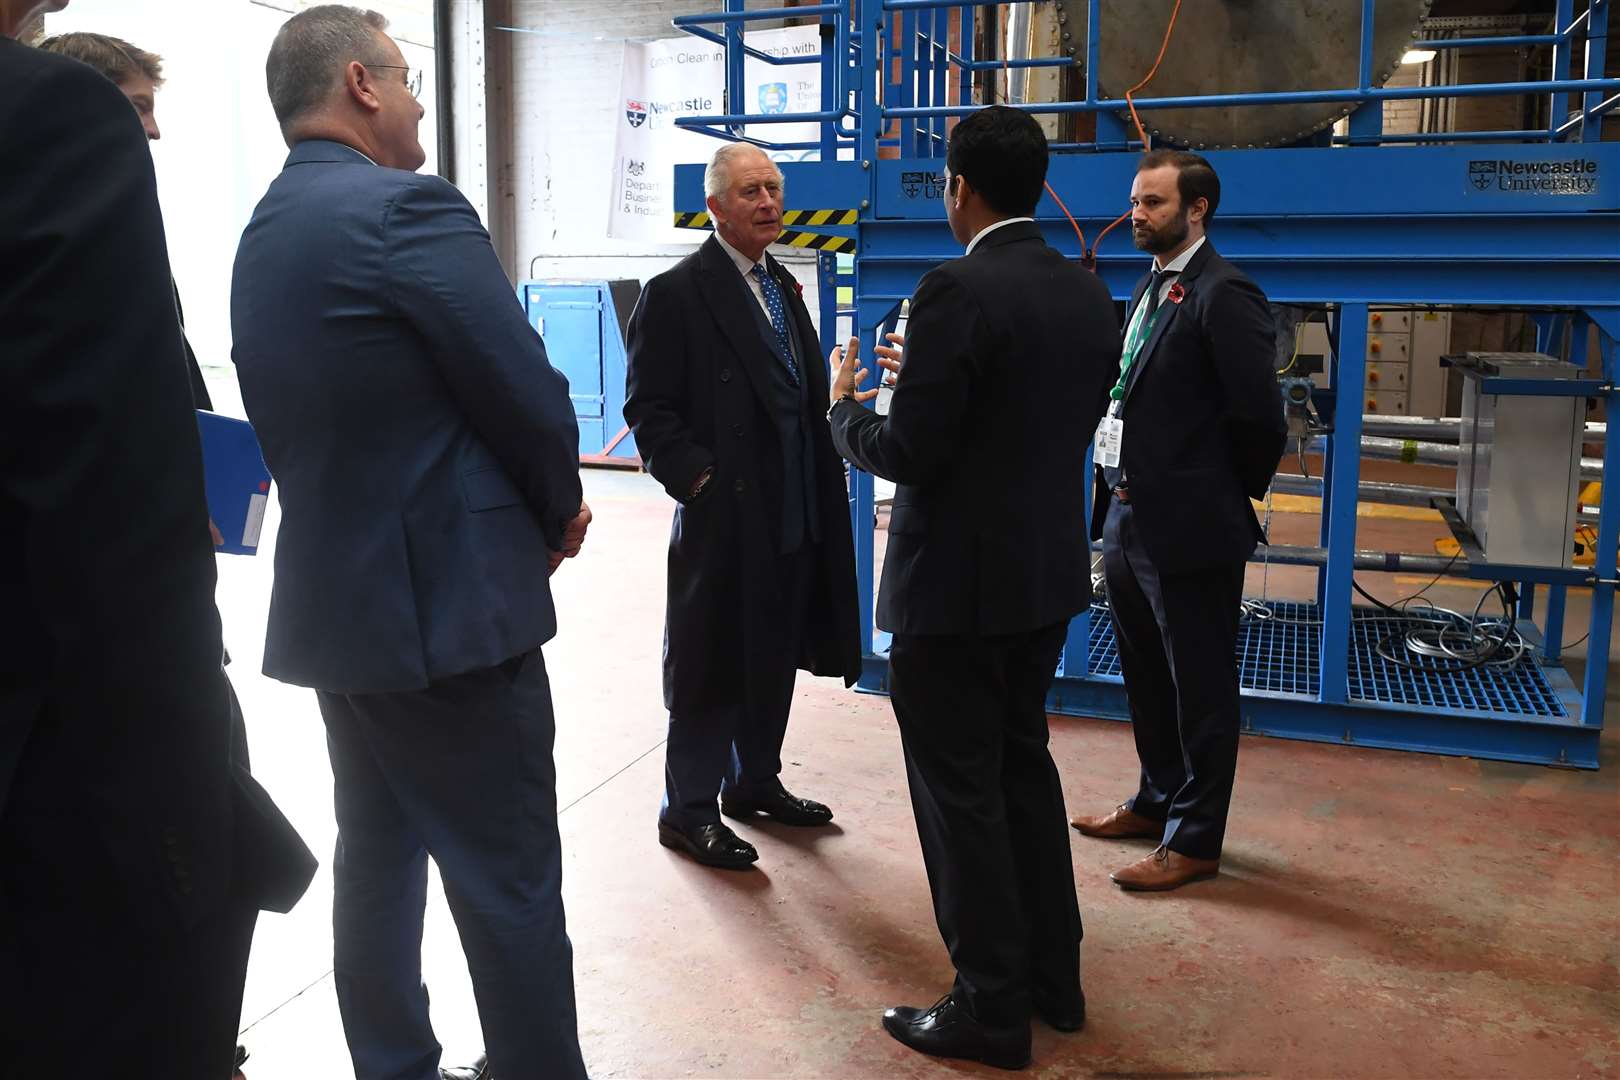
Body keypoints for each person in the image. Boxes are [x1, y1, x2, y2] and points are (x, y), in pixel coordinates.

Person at [230, 6, 589, 1078]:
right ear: (361, 84)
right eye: (409, 78)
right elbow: (526, 391)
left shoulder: (262, 232)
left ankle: (393, 1063)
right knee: (508, 874)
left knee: (377, 860)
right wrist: (554, 507)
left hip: (345, 617)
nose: (422, 101)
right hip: (450, 617)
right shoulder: (407, 211)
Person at [1, 2, 291, 1075]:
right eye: (135, 112)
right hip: (70, 756)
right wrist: (190, 840)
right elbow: (93, 507)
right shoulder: (45, 124)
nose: (152, 136)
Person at [826, 105, 1118, 1071]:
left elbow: (912, 452)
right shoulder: (1085, 295)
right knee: (1020, 771)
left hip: (955, 596)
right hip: (1040, 584)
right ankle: (1052, 980)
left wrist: (849, 411)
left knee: (960, 798)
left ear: (960, 187)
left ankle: (990, 1006)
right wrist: (936, 383)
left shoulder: (954, 288)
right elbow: (1021, 418)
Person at [623, 143, 862, 871]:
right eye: (752, 191)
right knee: (712, 663)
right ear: (717, 205)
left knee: (773, 654)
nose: (769, 203)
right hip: (726, 518)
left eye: (775, 189)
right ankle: (687, 808)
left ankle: (754, 781)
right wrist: (699, 482)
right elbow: (649, 409)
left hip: (792, 508)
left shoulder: (781, 286)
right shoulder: (677, 293)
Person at [1069, 149, 1286, 892]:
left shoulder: (1226, 294)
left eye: (1153, 203)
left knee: (1199, 686)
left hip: (1189, 526)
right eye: (1135, 201)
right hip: (1129, 519)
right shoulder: (1154, 286)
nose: (1137, 214)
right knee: (1147, 678)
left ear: (1196, 210)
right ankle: (1156, 798)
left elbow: (1260, 418)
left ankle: (1194, 840)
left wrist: (1217, 495)